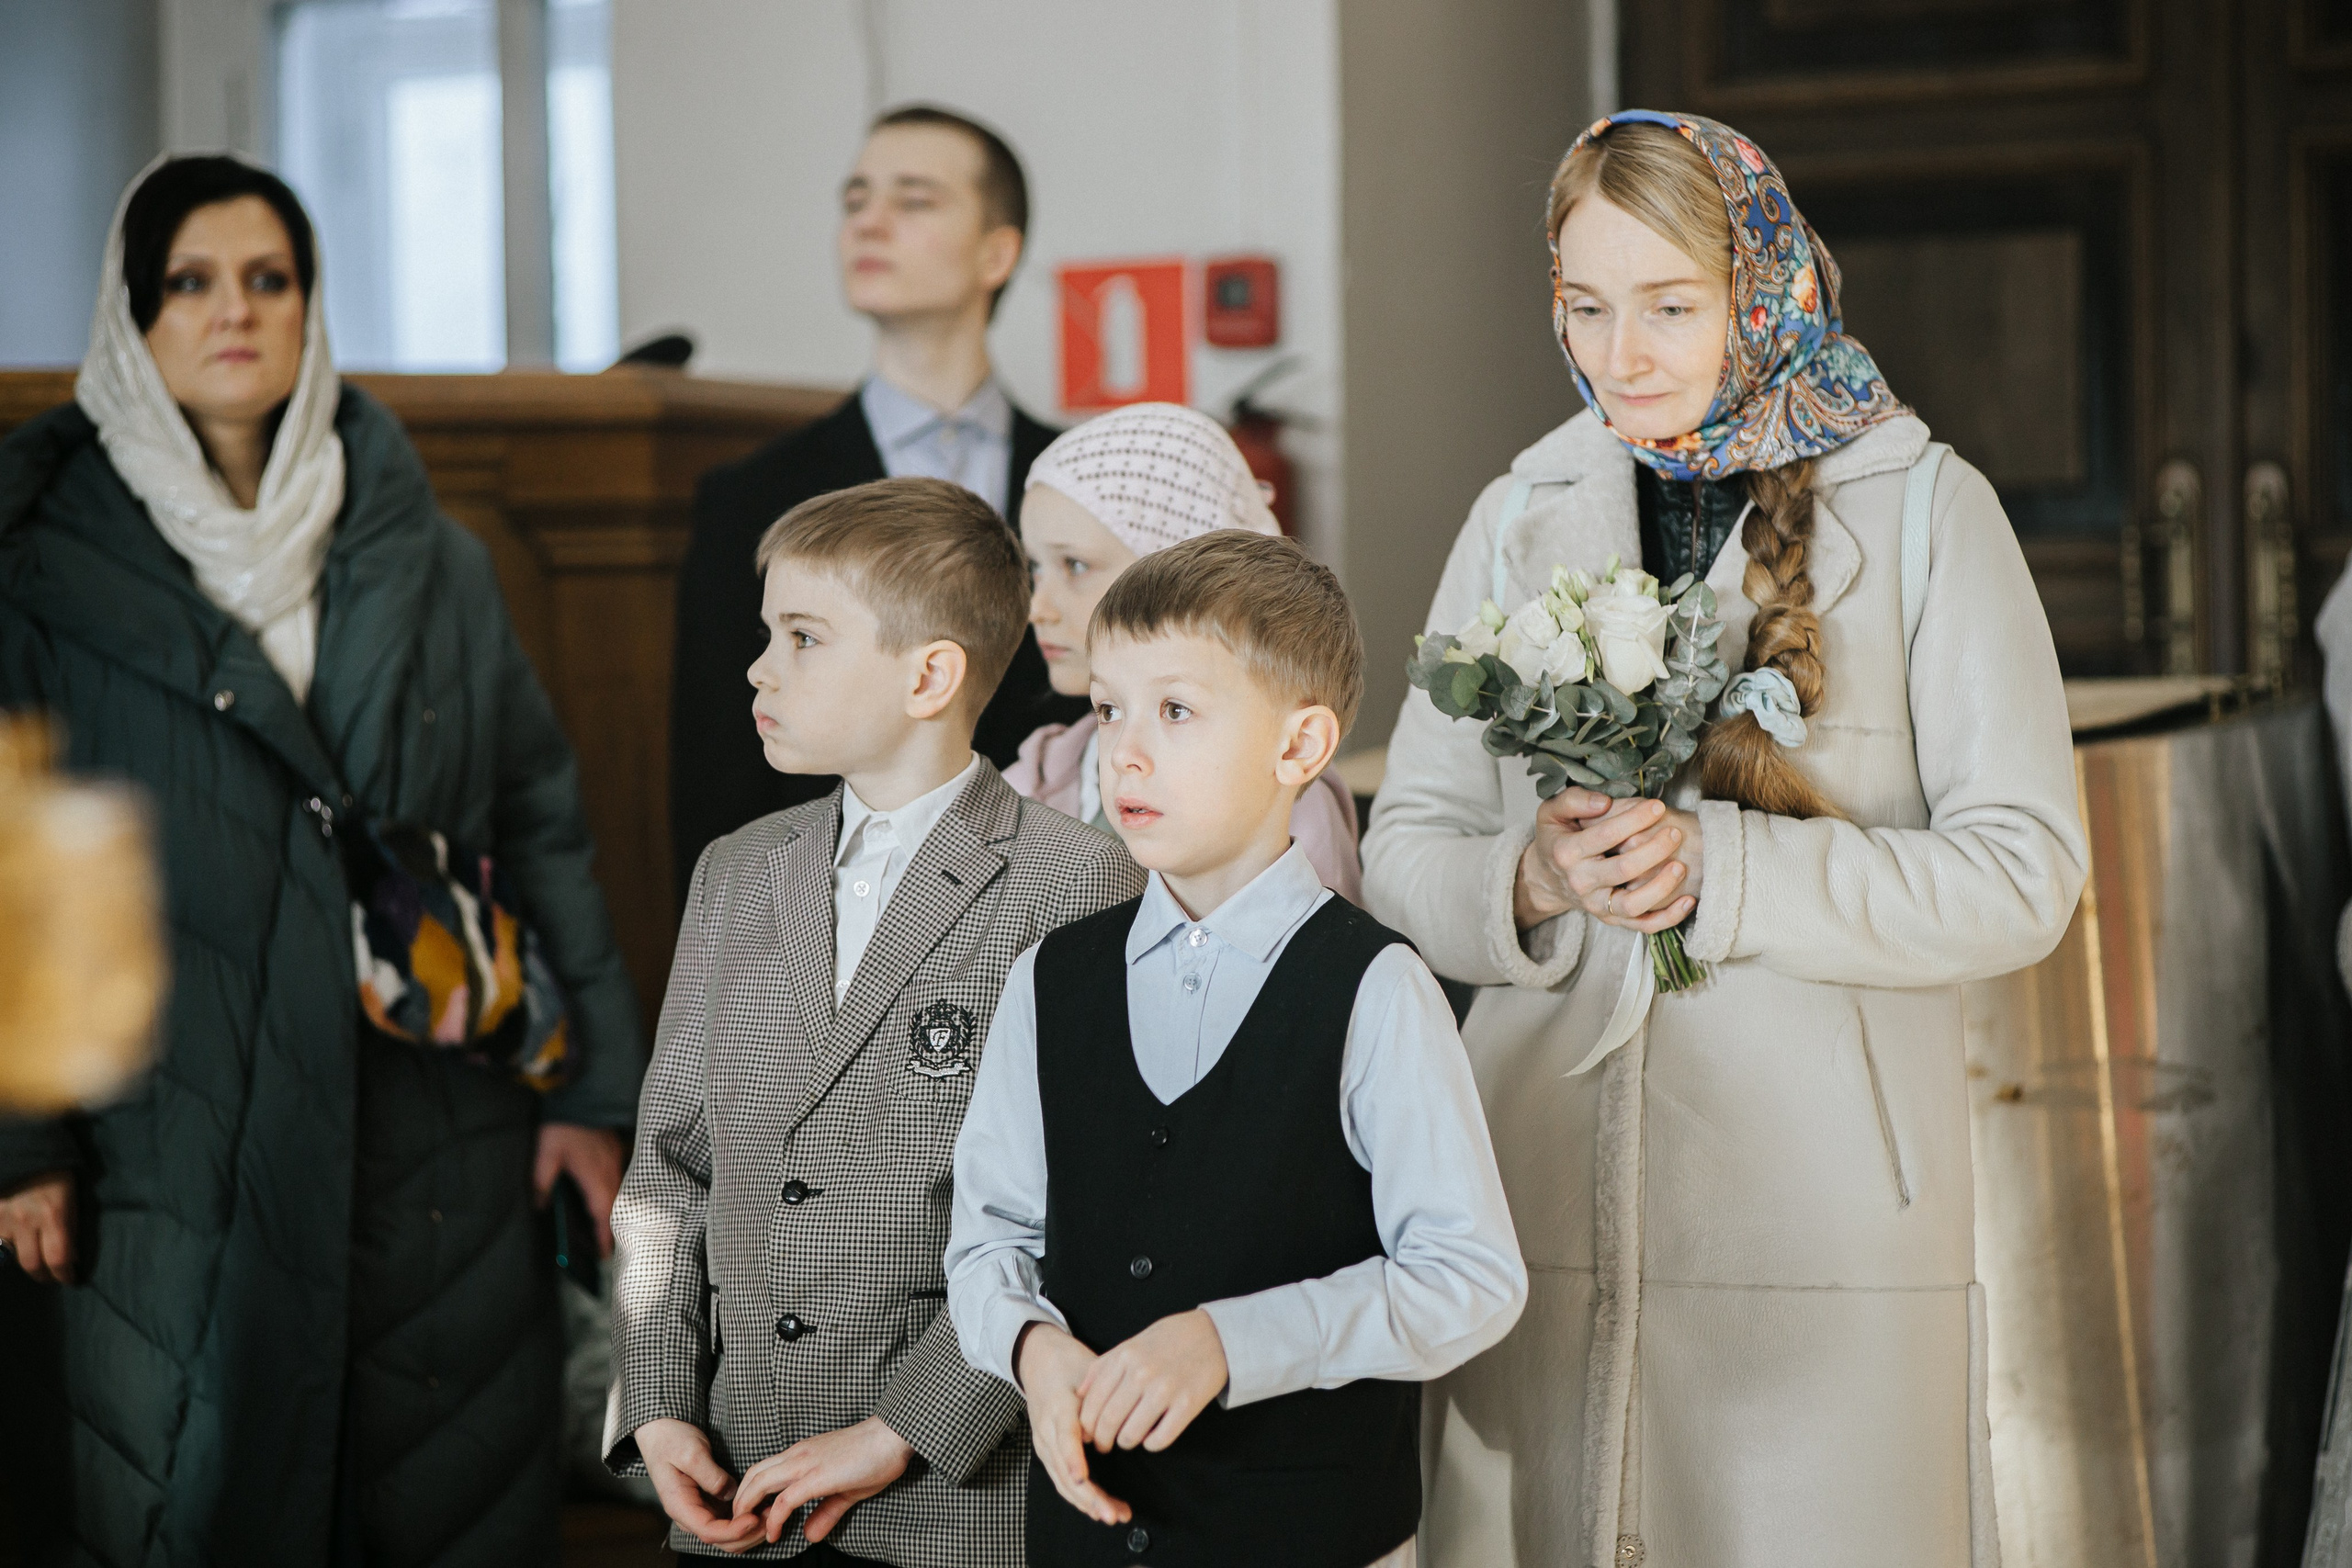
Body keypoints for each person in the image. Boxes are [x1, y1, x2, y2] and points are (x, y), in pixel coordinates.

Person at [1361, 112, 2088, 1567]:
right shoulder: (1519, 515)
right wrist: (1526, 876)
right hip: (1534, 1188)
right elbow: (1404, 848)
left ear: (1760, 290)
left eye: (1670, 304)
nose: (1620, 350)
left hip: (1818, 1218)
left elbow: (2026, 873)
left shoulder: (1933, 511)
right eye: (1586, 303)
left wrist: (1728, 873)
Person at [0, 153, 643, 1564]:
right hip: (165, 1140)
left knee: (437, 1505)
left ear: (310, 307)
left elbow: (535, 814)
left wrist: (586, 1089)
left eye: (268, 279)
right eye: (191, 281)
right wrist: (22, 1140)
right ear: (133, 314)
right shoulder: (38, 565)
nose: (235, 310)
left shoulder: (435, 553)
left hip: (440, 1130)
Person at [947, 532, 1527, 1568]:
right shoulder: (1048, 978)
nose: (1123, 751)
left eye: (1174, 712)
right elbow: (988, 1238)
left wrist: (1229, 1341)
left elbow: (1468, 1278)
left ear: (1299, 748)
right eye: (1110, 707)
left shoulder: (1375, 988)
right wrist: (1033, 1353)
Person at [608, 478, 1144, 1565]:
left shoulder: (1078, 881)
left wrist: (905, 1430)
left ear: (930, 674)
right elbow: (668, 1172)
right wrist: (658, 1403)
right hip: (737, 1474)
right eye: (769, 634)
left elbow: (1084, 1210)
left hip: (958, 1498)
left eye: (803, 637)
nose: (760, 668)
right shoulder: (736, 871)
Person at [669, 103, 1081, 904]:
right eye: (856, 200)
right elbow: (717, 773)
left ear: (998, 250)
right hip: (828, 917)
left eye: (914, 200)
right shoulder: (750, 496)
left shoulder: (1072, 479)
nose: (870, 222)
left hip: (1053, 903)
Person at [1008, 401, 1364, 899]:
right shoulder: (1040, 775)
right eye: (1035, 568)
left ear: (1176, 572)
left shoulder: (1286, 811)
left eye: (1075, 565)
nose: (1037, 607)